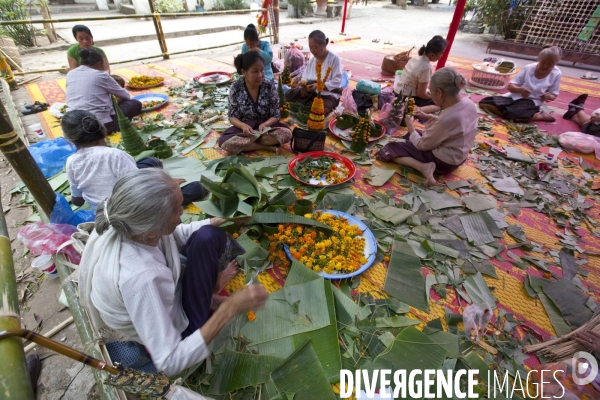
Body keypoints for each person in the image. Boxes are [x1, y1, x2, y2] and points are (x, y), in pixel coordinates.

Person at [79, 168, 268, 376]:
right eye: (178, 210)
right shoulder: (141, 277)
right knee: (207, 244)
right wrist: (228, 309)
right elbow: (169, 362)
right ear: (152, 229)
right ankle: (210, 304)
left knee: (208, 235)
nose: (182, 213)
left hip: (165, 290)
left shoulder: (131, 224)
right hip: (174, 328)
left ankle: (209, 299)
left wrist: (225, 219)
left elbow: (177, 234)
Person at [62, 110, 206, 210]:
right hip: (133, 210)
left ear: (70, 139)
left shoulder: (71, 162)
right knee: (197, 187)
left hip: (102, 211)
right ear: (102, 128)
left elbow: (78, 200)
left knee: (150, 162)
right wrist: (169, 186)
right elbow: (140, 191)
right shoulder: (114, 155)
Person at [376, 67, 478, 186]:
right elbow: (454, 128)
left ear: (439, 92)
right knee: (412, 135)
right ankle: (417, 155)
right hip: (459, 158)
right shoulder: (469, 103)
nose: (431, 95)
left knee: (389, 149)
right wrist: (428, 116)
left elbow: (422, 145)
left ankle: (424, 167)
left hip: (444, 163)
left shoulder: (447, 119)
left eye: (431, 92)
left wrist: (409, 124)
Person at [219, 51, 292, 154]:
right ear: (244, 72)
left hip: (266, 130)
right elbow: (232, 116)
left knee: (287, 134)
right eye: (255, 71)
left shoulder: (269, 86)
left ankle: (250, 144)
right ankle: (265, 147)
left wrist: (265, 124)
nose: (260, 75)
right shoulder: (236, 87)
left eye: (262, 70)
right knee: (225, 143)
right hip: (245, 131)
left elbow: (276, 115)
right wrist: (243, 126)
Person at [66, 48, 141, 135]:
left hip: (72, 127)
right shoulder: (101, 75)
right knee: (134, 104)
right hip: (98, 127)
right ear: (99, 64)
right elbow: (126, 96)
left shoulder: (70, 74)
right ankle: (108, 129)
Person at [479, 46, 563, 123]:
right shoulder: (529, 68)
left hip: (532, 101)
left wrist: (548, 96)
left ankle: (540, 116)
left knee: (515, 112)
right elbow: (510, 86)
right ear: (539, 60)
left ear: (556, 63)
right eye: (543, 62)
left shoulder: (556, 74)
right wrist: (520, 90)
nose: (545, 66)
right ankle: (512, 113)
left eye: (550, 64)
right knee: (485, 102)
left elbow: (553, 95)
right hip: (516, 96)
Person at [285, 30, 344, 117]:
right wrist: (303, 83)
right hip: (311, 93)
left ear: (324, 44)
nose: (312, 50)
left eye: (315, 47)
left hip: (328, 95)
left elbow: (337, 81)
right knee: (288, 95)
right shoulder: (312, 60)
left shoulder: (334, 59)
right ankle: (308, 104)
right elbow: (305, 75)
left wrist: (318, 85)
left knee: (319, 112)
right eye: (310, 47)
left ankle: (310, 106)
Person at [396, 35, 448, 113]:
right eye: (441, 54)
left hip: (397, 92)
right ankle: (415, 110)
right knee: (441, 104)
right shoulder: (426, 67)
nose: (441, 56)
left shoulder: (416, 58)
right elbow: (421, 94)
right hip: (406, 98)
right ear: (432, 54)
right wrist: (433, 97)